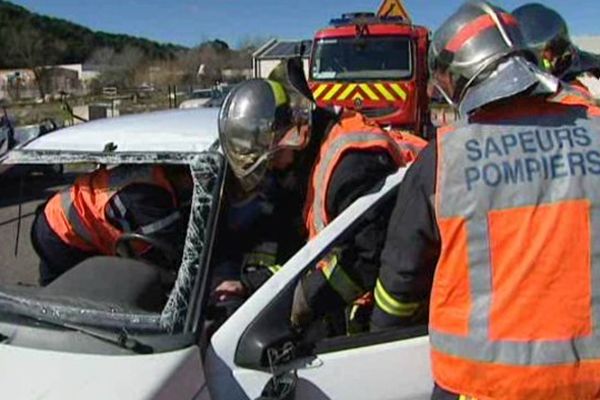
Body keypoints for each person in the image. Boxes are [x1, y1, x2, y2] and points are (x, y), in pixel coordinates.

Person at [371, 1, 600, 399]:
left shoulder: (444, 158)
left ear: (461, 79)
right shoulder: (595, 129)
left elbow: (400, 282)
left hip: (482, 388)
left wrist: (380, 339)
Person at [32, 164, 192, 286]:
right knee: (78, 293)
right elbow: (171, 250)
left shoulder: (152, 175)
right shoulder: (151, 197)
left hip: (56, 213)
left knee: (53, 284)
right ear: (184, 174)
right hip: (61, 233)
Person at [513, 3, 600, 92]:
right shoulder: (518, 73)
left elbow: (590, 60)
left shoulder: (568, 60)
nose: (545, 54)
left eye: (549, 48)